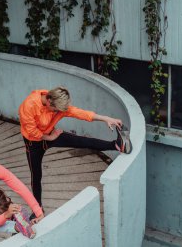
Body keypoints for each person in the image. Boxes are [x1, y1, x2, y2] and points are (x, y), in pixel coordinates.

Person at [19, 86, 132, 215]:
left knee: (80, 141)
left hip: (50, 134)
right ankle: (38, 210)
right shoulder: (29, 105)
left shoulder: (56, 103)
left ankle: (117, 145)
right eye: (55, 110)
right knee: (36, 176)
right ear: (49, 101)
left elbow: (80, 113)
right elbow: (32, 131)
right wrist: (50, 137)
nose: (56, 113)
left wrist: (106, 119)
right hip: (33, 143)